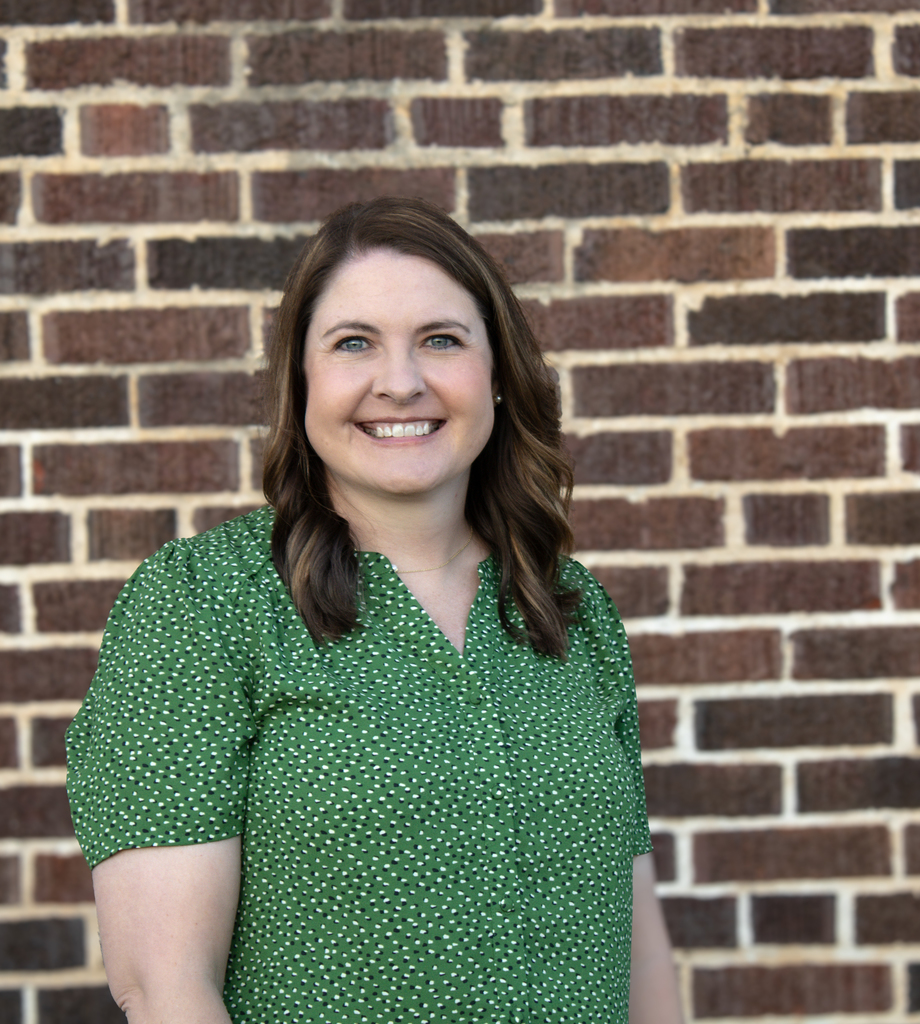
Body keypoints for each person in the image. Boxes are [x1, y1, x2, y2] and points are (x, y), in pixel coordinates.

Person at [66, 196, 684, 1024]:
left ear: (498, 377)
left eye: (441, 340)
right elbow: (165, 984)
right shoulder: (202, 605)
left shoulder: (572, 611)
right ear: (303, 380)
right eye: (354, 343)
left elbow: (638, 942)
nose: (400, 382)